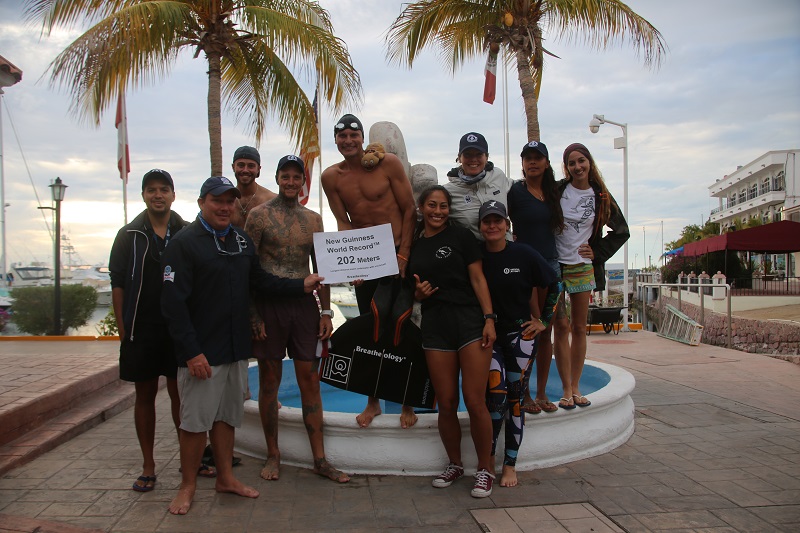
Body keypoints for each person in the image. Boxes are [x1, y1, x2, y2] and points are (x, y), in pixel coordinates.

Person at [161, 176, 323, 515]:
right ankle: (187, 485)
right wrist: (191, 352)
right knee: (194, 424)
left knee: (225, 419)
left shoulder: (239, 241)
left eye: (230, 201)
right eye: (217, 200)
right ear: (202, 203)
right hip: (202, 352)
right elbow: (172, 305)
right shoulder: (184, 243)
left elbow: (260, 281)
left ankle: (225, 478)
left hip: (235, 350)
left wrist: (300, 285)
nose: (224, 207)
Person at [244, 155, 349, 484]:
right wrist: (254, 315)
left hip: (305, 307)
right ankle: (273, 454)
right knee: (270, 383)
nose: (291, 182)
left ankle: (320, 459)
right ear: (276, 178)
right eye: (285, 176)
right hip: (270, 306)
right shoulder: (258, 216)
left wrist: (327, 312)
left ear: (303, 181)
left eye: (296, 177)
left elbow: (325, 269)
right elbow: (248, 271)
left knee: (310, 381)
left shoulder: (313, 219)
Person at [109, 169, 208, 493]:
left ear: (173, 195)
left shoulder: (187, 231)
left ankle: (188, 462)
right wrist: (125, 331)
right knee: (145, 396)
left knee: (181, 395)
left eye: (163, 189)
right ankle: (148, 465)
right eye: (151, 189)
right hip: (143, 329)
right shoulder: (129, 235)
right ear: (144, 195)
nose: (158, 194)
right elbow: (118, 285)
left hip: (178, 328)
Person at [320, 113, 418, 429]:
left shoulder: (387, 164)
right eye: (342, 136)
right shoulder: (330, 177)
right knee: (370, 332)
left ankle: (407, 402)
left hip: (398, 255)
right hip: (368, 261)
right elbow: (344, 221)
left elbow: (409, 209)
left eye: (353, 135)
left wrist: (403, 254)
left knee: (402, 329)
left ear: (362, 138)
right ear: (336, 140)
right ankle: (372, 401)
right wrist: (355, 261)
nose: (348, 141)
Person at [408, 185, 497, 498]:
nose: (437, 211)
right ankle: (455, 464)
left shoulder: (461, 237)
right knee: (445, 402)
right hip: (435, 325)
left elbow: (477, 278)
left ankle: (485, 468)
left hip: (469, 321)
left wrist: (489, 318)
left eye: (443, 206)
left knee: (474, 399)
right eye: (432, 205)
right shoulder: (415, 245)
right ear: (421, 207)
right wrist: (416, 295)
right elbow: (412, 290)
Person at [478, 200, 559, 488]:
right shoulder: (477, 259)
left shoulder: (523, 253)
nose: (492, 226)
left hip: (520, 337)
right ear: (480, 226)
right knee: (494, 399)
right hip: (489, 338)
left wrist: (544, 321)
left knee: (514, 401)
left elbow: (555, 283)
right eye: (487, 221)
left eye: (497, 220)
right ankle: (487, 461)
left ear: (506, 225)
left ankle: (510, 464)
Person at [554, 143, 629, 409]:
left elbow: (621, 231)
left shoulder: (601, 196)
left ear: (589, 162)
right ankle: (564, 389)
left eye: (581, 161)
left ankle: (576, 387)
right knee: (560, 327)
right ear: (567, 167)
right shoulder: (558, 190)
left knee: (578, 328)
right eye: (571, 163)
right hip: (556, 265)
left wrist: (596, 252)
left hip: (582, 267)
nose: (577, 167)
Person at [507, 141, 564, 415]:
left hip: (550, 266)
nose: (532, 162)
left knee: (546, 331)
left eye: (537, 158)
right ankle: (525, 393)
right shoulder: (515, 191)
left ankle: (542, 393)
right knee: (528, 330)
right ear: (522, 163)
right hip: (525, 268)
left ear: (546, 163)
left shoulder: (554, 192)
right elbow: (494, 215)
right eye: (528, 158)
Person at [444, 132, 512, 240]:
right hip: (473, 254)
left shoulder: (498, 176)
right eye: (467, 155)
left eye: (478, 154)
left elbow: (521, 187)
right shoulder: (448, 191)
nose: (473, 159)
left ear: (487, 157)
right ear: (459, 158)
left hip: (506, 251)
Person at [229, 145, 277, 228]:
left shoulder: (272, 201)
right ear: (233, 167)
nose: (245, 170)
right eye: (241, 165)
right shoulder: (226, 201)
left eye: (251, 166)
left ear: (258, 169)